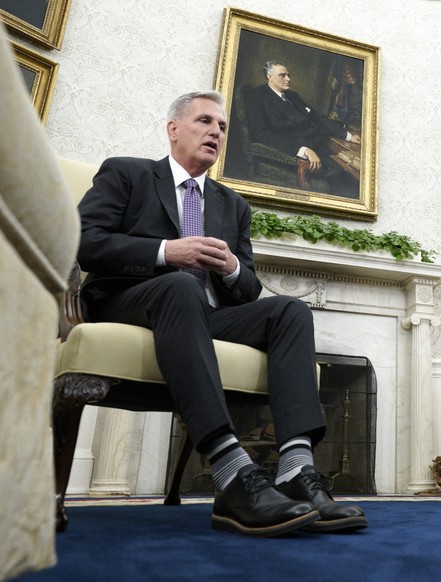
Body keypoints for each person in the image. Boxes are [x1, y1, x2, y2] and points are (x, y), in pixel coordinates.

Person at [76, 90, 367, 537]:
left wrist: (232, 267)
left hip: (201, 314)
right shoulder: (128, 173)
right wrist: (164, 251)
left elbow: (249, 290)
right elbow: (82, 241)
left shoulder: (233, 205)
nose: (216, 131)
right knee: (177, 284)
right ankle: (231, 472)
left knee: (289, 311)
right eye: (204, 121)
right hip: (129, 305)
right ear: (173, 129)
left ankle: (295, 471)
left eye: (223, 126)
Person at [249, 60, 360, 197]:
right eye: (282, 75)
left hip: (320, 144)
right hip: (297, 151)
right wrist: (303, 150)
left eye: (288, 75)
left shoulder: (292, 96)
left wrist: (347, 136)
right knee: (347, 176)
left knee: (354, 168)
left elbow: (317, 118)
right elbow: (262, 135)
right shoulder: (257, 97)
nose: (288, 79)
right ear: (269, 77)